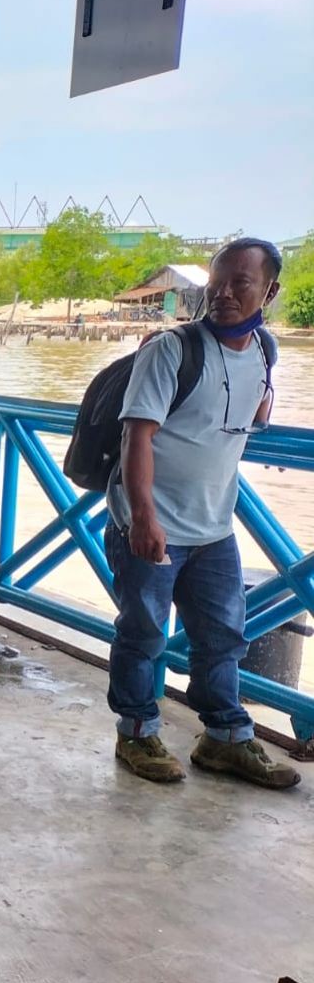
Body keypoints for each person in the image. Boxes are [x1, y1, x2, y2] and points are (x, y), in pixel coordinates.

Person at [106, 238, 299, 790]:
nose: (223, 293)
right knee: (143, 633)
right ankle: (137, 732)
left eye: (241, 281)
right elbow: (136, 435)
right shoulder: (170, 350)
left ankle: (225, 739)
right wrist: (143, 518)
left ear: (270, 290)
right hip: (153, 522)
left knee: (222, 636)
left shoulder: (265, 349)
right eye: (217, 281)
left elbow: (253, 413)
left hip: (214, 524)